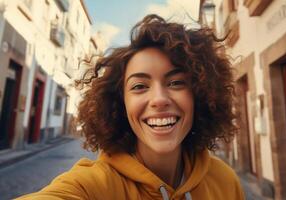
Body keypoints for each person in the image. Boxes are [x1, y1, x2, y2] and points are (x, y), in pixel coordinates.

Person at [17, 14, 245, 200]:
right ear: (120, 102)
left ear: (199, 95)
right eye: (139, 86)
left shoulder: (225, 181)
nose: (159, 99)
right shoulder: (93, 186)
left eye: (176, 82)